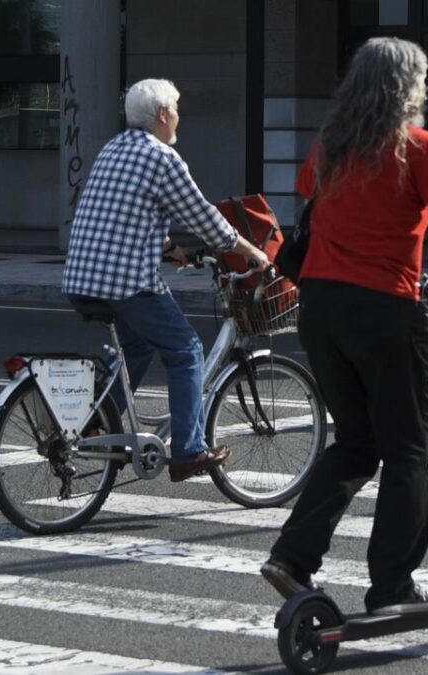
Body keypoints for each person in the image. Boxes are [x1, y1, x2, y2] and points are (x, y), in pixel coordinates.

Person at [260, 37, 428, 616]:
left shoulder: (329, 148)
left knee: (356, 440)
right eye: (420, 79)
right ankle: (392, 583)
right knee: (408, 450)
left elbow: (313, 225)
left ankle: (292, 555)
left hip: (319, 308)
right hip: (383, 310)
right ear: (406, 87)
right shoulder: (418, 147)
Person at [61, 78, 271, 482]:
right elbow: (206, 219)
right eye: (176, 109)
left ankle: (91, 420)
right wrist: (252, 252)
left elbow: (128, 211)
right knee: (186, 348)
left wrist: (169, 247)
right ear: (161, 114)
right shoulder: (162, 158)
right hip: (124, 281)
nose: (178, 117)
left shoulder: (114, 148)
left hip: (83, 277)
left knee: (138, 346)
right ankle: (189, 449)